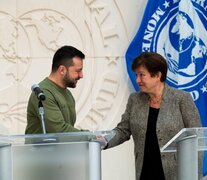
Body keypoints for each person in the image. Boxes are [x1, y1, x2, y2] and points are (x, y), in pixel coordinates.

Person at [105, 52, 201, 180]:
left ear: (157, 75)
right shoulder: (135, 99)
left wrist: (195, 175)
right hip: (145, 172)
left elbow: (196, 138)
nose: (137, 80)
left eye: (142, 75)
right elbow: (123, 130)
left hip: (176, 174)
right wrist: (101, 141)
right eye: (136, 75)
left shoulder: (181, 99)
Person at [25, 45, 85, 134]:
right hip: (41, 148)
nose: (81, 75)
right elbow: (59, 130)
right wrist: (90, 137)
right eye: (78, 71)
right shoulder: (43, 93)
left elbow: (67, 133)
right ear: (62, 70)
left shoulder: (68, 94)